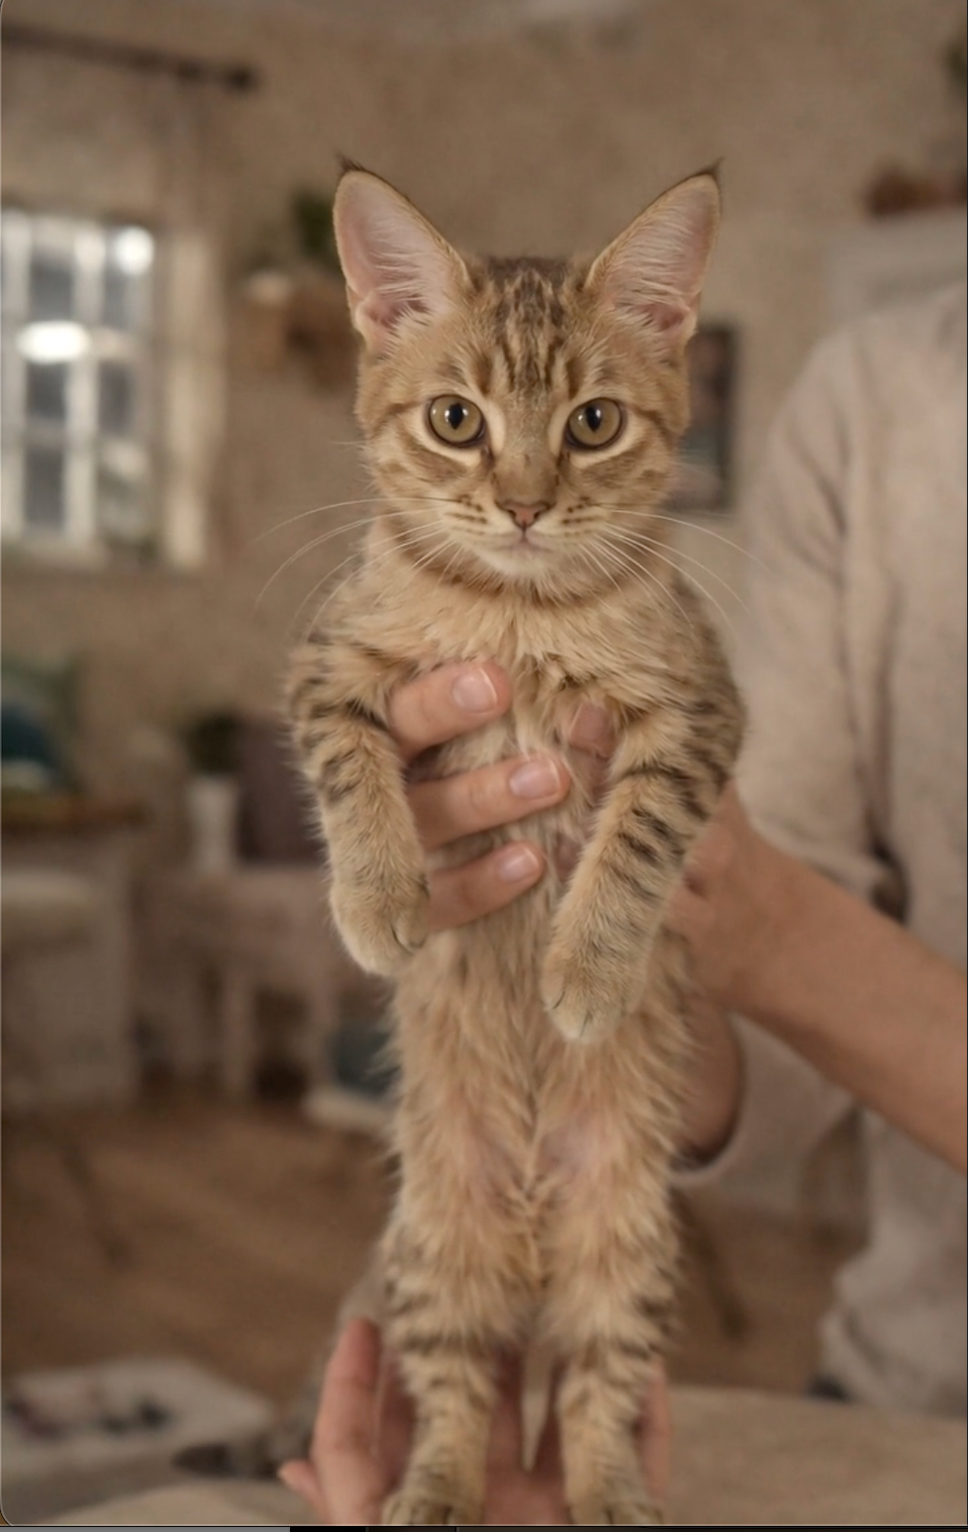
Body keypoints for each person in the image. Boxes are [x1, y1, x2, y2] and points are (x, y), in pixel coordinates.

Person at [282, 282, 966, 1519]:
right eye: (460, 424)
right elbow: (783, 955)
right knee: (449, 1241)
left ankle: (587, 1443)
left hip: (912, 1404)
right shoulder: (878, 390)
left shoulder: (655, 578)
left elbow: (747, 852)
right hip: (894, 1368)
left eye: (588, 426)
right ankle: (464, 1438)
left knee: (612, 1272)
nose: (524, 487)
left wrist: (740, 922)